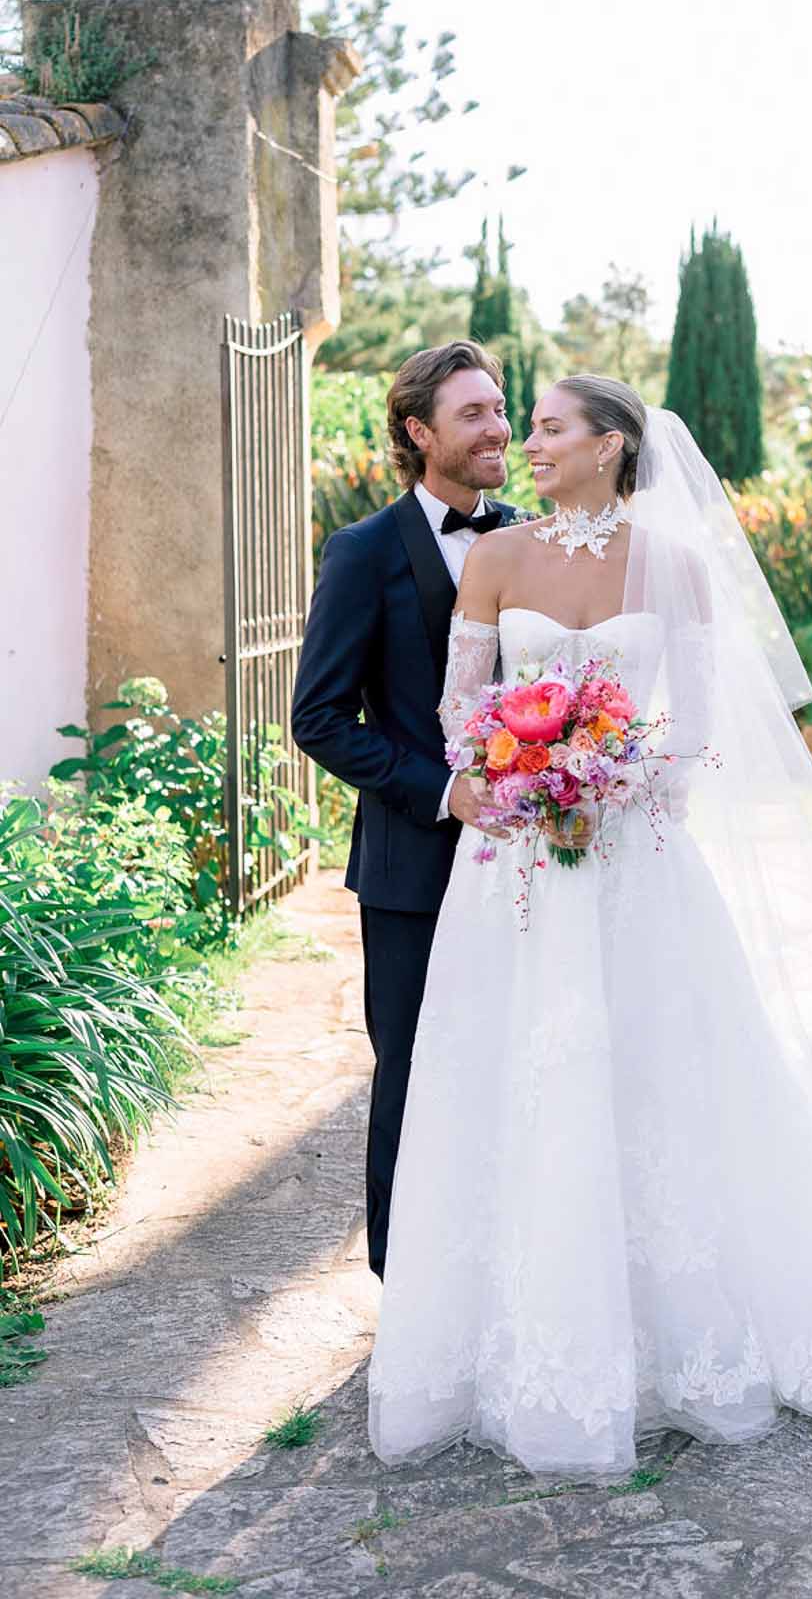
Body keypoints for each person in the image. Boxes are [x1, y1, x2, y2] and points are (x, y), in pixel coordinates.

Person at [366, 373, 812, 1479]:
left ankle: (696, 1341)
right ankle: (515, 1340)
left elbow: (696, 733)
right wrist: (519, 776)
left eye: (550, 427)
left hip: (636, 863)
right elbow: (459, 712)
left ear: (613, 445)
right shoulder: (496, 558)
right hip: (519, 870)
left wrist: (607, 775)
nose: (528, 443)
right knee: (516, 1078)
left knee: (665, 1077)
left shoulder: (674, 564)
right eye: (522, 426)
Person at [291, 341, 527, 1282]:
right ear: (419, 432)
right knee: (413, 1072)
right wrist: (440, 789)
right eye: (473, 414)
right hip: (412, 869)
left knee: (516, 1060)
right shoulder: (361, 552)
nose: (498, 428)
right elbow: (318, 718)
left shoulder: (529, 540)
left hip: (525, 858)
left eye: (502, 408)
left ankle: (500, 1261)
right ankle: (406, 1280)